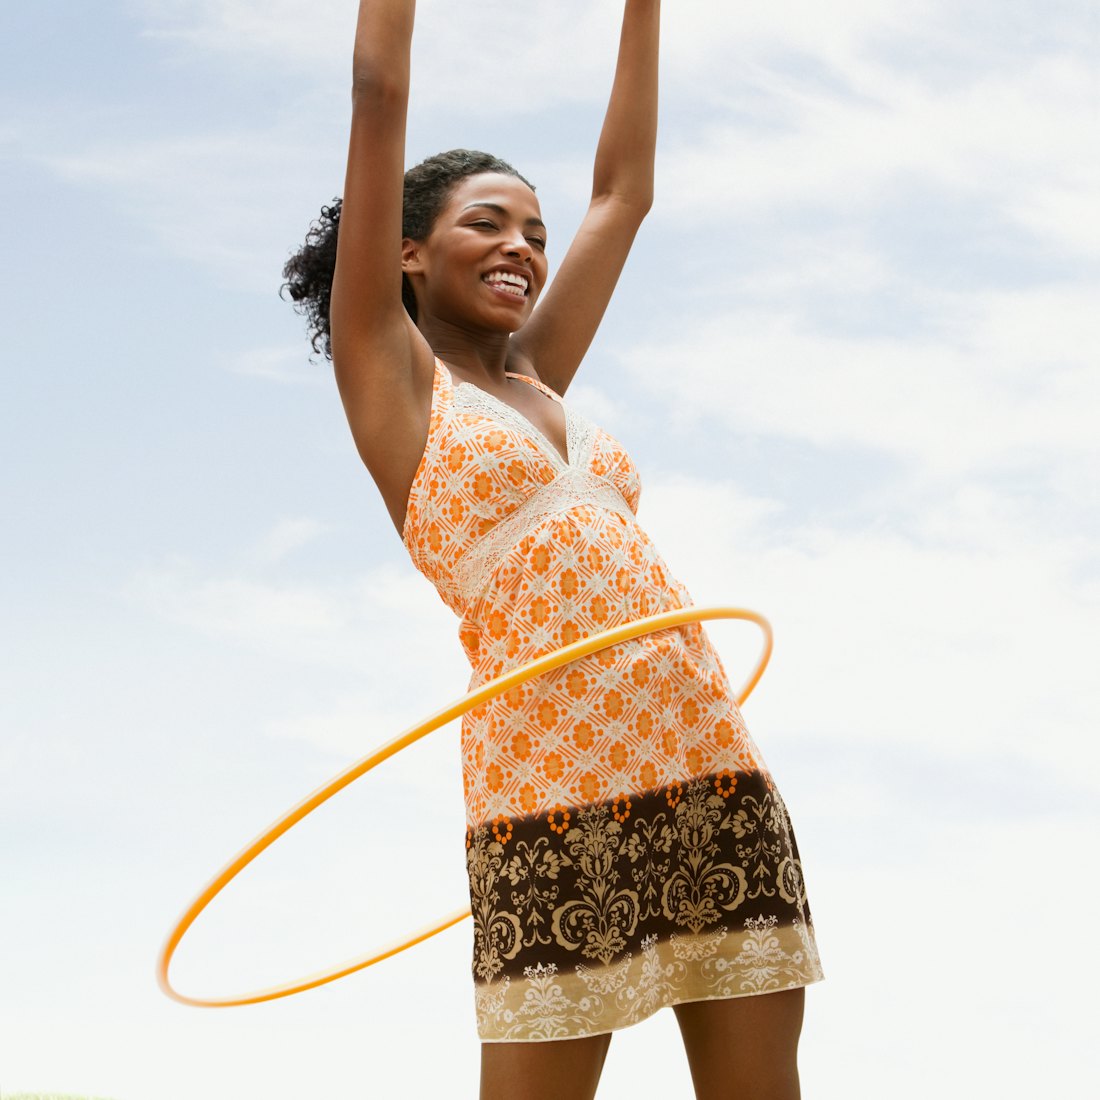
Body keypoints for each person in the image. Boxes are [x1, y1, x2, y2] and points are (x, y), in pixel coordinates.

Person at [282, 3, 822, 1097]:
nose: (522, 247)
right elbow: (378, 94)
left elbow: (623, 193)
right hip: (548, 787)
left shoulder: (538, 372)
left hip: (705, 758)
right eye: (488, 223)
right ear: (407, 251)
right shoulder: (389, 377)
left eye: (531, 230)